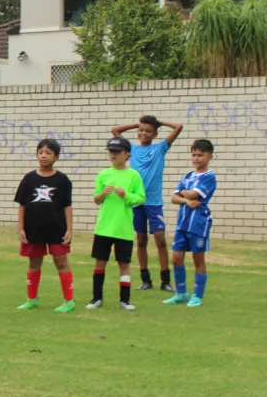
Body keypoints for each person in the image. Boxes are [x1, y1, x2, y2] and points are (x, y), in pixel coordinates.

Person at [110, 115, 184, 292]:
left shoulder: (160, 148)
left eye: (148, 131)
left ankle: (165, 280)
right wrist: (138, 123)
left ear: (155, 133)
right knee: (141, 240)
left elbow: (178, 126)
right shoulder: (132, 149)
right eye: (141, 130)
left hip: (154, 203)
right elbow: (115, 131)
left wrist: (159, 121)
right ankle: (146, 279)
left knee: (160, 239)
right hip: (136, 202)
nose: (143, 133)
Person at [14, 139, 75, 313]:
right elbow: (22, 205)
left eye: (48, 153)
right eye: (40, 152)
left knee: (61, 262)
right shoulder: (29, 178)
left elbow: (67, 206)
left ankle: (69, 301)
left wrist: (69, 229)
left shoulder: (62, 180)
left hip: (57, 229)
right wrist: (21, 228)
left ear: (56, 157)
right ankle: (31, 300)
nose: (43, 156)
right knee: (34, 264)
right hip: (34, 229)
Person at [86, 137, 146, 311]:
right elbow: (96, 199)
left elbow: (141, 198)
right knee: (100, 262)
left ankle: (125, 300)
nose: (113, 154)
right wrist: (103, 194)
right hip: (104, 227)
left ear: (127, 154)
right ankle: (97, 298)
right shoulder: (103, 174)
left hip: (123, 228)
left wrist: (126, 195)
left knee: (124, 264)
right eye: (110, 151)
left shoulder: (133, 175)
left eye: (117, 152)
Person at [163, 139, 217, 307]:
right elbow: (174, 198)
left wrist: (183, 194)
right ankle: (181, 293)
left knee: (198, 258)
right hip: (183, 223)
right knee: (176, 258)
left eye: (200, 155)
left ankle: (197, 296)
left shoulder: (209, 177)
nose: (196, 158)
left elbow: (193, 194)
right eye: (193, 155)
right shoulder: (187, 176)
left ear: (210, 157)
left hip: (198, 224)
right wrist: (186, 201)